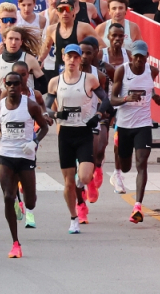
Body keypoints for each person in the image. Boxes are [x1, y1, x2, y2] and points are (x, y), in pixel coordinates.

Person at [0, 70, 51, 258]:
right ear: (5, 85)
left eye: (16, 83)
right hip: (6, 155)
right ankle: (15, 242)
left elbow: (44, 127)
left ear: (21, 85)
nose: (13, 87)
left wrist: (34, 142)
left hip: (25, 156)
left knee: (30, 201)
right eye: (9, 84)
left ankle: (24, 202)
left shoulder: (30, 106)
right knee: (8, 196)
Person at [47, 44, 108, 234]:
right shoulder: (55, 82)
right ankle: (74, 218)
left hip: (84, 132)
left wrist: (98, 115)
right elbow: (46, 107)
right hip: (65, 134)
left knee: (85, 177)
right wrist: (56, 114)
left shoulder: (89, 80)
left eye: (75, 57)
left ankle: (81, 183)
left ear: (80, 60)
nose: (72, 60)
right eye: (69, 57)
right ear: (63, 58)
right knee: (68, 183)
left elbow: (106, 99)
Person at [111, 40, 160, 225]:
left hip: (143, 125)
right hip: (125, 125)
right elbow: (112, 99)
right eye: (136, 56)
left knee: (142, 162)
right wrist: (126, 98)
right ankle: (118, 166)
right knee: (126, 167)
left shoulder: (153, 71)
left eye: (142, 56)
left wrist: (155, 97)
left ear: (147, 56)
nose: (139, 60)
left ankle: (138, 207)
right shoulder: (122, 71)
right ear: (131, 56)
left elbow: (150, 89)